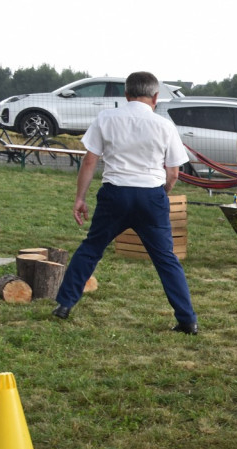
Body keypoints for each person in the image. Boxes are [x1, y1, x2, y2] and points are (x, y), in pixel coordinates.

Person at [52, 71, 198, 334]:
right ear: (155, 97)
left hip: (115, 194)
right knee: (166, 259)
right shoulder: (164, 125)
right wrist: (161, 193)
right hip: (151, 196)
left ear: (126, 93)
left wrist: (80, 198)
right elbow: (174, 171)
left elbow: (89, 161)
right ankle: (187, 320)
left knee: (91, 248)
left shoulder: (106, 118)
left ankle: (64, 304)